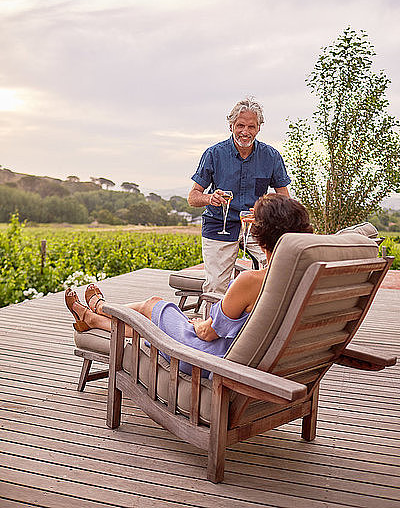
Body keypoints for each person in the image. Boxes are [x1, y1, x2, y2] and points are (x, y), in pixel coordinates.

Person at [65, 194, 313, 377]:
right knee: (161, 320)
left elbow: (207, 333)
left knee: (154, 306)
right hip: (259, 365)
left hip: (212, 361)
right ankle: (95, 316)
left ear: (259, 234)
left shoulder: (252, 281)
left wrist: (197, 325)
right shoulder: (307, 280)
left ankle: (101, 309)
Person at [188, 97, 291, 296]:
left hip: (258, 225)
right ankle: (211, 326)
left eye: (251, 126)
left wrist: (265, 212)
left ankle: (258, 322)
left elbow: (285, 200)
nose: (245, 131)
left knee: (275, 274)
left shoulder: (271, 156)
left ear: (259, 127)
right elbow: (193, 197)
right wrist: (210, 198)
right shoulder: (213, 154)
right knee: (216, 286)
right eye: (240, 125)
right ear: (231, 126)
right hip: (219, 224)